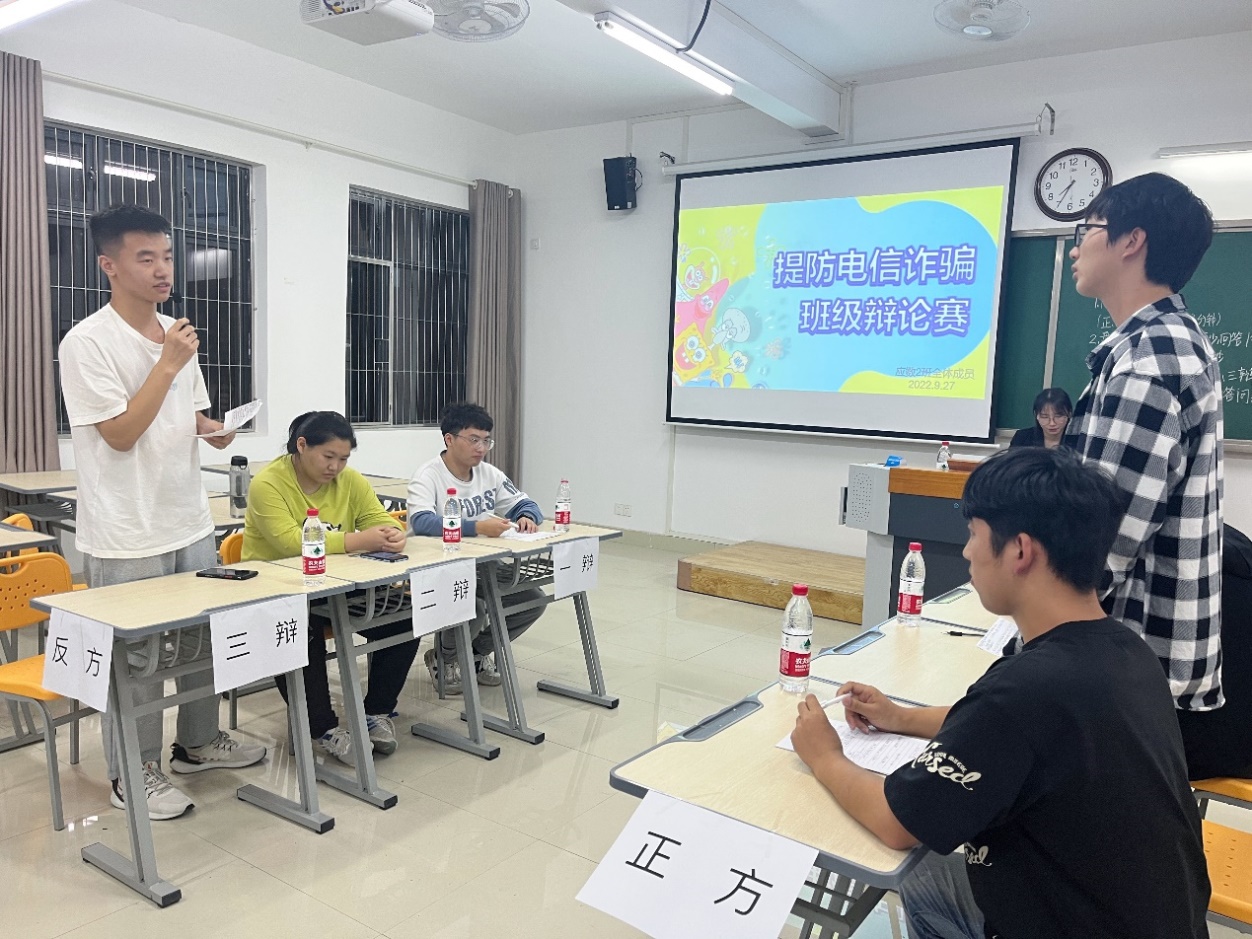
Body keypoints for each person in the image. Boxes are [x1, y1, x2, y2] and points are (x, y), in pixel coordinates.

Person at [790, 447, 1210, 939]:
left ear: (1020, 552)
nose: (967, 552)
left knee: (919, 871)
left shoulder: (1026, 690)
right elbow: (1009, 730)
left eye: (974, 534)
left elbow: (896, 822)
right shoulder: (1124, 650)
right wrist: (899, 717)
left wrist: (824, 755)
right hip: (1157, 919)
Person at [59, 204, 265, 821]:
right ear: (109, 265)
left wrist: (214, 429)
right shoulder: (86, 342)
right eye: (145, 257)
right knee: (138, 661)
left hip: (188, 518)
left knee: (202, 641)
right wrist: (167, 363)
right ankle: (134, 771)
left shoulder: (174, 333)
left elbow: (184, 414)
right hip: (126, 529)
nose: (162, 270)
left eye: (167, 256)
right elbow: (120, 434)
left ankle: (198, 743)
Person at [1065, 172, 1226, 749]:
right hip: (1148, 657)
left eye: (1087, 230)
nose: (1075, 248)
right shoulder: (1170, 340)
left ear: (1132, 241)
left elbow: (1103, 540)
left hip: (1132, 664)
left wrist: (1031, 642)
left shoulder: (1149, 361)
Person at [242, 411, 416, 765]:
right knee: (298, 633)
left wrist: (391, 533)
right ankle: (323, 729)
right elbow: (290, 541)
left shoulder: (349, 480)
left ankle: (375, 712)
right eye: (328, 456)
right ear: (302, 446)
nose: (335, 467)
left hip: (335, 584)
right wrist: (357, 540)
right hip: (278, 588)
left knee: (404, 615)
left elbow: (377, 518)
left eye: (343, 458)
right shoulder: (268, 483)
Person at [407, 402, 545, 694]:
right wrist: (478, 527)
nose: (481, 448)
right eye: (473, 439)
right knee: (474, 607)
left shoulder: (489, 474)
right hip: (439, 566)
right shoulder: (428, 475)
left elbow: (526, 503)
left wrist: (526, 516)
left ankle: (474, 653)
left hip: (482, 564)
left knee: (532, 600)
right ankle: (445, 658)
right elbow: (422, 522)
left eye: (486, 440)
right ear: (449, 439)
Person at [1007, 387, 1072, 448]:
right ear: (1036, 415)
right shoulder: (1022, 438)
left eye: (1058, 416)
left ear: (1069, 414)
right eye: (1045, 417)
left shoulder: (1076, 441)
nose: (1052, 423)